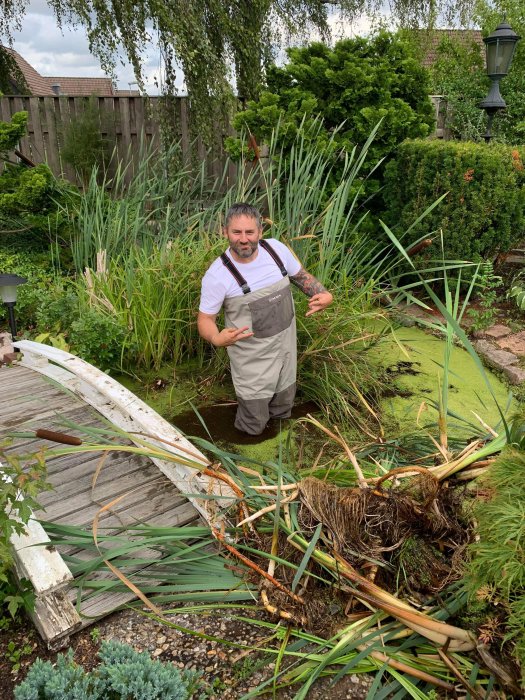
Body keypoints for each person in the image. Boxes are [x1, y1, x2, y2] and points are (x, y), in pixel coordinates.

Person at [197, 202, 333, 435]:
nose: (243, 239)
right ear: (225, 232)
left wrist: (323, 294)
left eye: (250, 232)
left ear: (260, 231)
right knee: (254, 420)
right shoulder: (217, 275)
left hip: (286, 348)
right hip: (252, 359)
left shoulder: (276, 249)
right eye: (236, 232)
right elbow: (205, 319)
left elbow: (300, 276)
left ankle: (280, 451)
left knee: (283, 407)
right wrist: (216, 338)